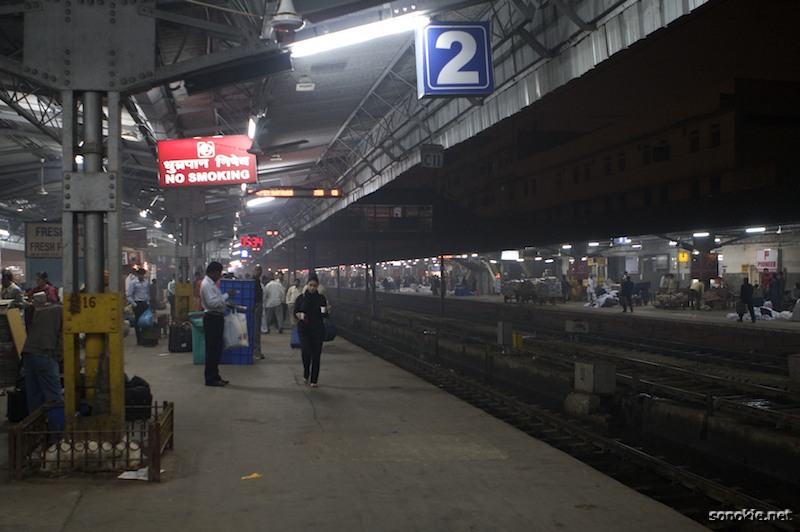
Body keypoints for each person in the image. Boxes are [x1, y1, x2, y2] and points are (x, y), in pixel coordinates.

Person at [21, 293, 64, 413]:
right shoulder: (65, 314)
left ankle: (36, 427)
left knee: (34, 395)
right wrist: (58, 357)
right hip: (44, 354)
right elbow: (63, 339)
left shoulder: (45, 311)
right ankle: (58, 428)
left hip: (28, 353)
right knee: (54, 396)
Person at [200, 261, 236, 387]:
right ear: (211, 272)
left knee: (215, 350)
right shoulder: (206, 285)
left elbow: (217, 301)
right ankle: (210, 378)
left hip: (216, 318)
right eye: (218, 273)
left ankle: (215, 376)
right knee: (212, 350)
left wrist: (226, 304)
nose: (219, 275)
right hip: (212, 319)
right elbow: (212, 303)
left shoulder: (212, 284)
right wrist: (227, 295)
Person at [293, 274, 328, 387]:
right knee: (306, 353)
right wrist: (298, 315)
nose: (312, 288)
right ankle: (306, 373)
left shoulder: (321, 298)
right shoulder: (301, 298)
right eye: (311, 285)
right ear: (307, 285)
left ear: (318, 286)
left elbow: (324, 315)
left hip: (318, 330)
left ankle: (314, 380)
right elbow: (295, 312)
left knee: (316, 355)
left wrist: (327, 311)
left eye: (315, 285)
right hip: (304, 329)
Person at [126, 268, 150, 346]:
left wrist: (147, 302)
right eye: (140, 274)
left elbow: (147, 293)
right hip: (137, 304)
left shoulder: (146, 283)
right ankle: (139, 339)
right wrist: (134, 304)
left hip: (144, 303)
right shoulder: (133, 283)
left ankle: (145, 338)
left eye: (142, 275)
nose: (141, 276)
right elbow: (129, 295)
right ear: (137, 275)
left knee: (145, 322)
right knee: (138, 322)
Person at [252, 265, 264, 360]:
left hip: (257, 306)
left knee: (256, 329)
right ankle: (256, 351)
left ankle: (256, 350)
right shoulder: (254, 281)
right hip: (256, 306)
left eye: (260, 270)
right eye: (257, 270)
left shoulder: (256, 281)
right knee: (256, 329)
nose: (259, 272)